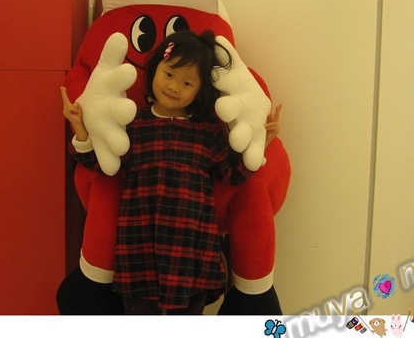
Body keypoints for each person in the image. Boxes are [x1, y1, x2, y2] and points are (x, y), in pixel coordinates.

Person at [62, 30, 276, 314]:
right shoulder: (134, 124)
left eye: (187, 82)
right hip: (140, 248)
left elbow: (232, 174)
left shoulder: (208, 131)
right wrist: (80, 128)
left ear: (199, 90)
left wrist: (262, 144)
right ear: (155, 70)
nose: (174, 86)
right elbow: (103, 165)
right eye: (169, 74)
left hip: (191, 252)